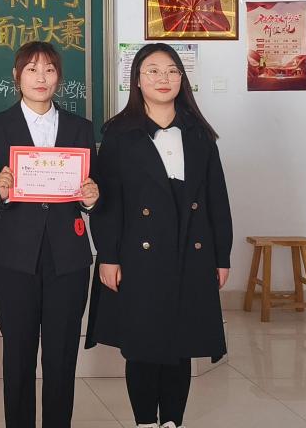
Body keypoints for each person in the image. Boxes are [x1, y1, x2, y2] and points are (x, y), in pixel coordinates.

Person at [86, 43, 233, 428]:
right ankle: (144, 422)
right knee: (142, 344)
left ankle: (172, 421)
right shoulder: (119, 133)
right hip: (138, 256)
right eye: (152, 70)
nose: (162, 78)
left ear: (182, 79)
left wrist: (222, 257)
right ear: (137, 80)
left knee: (181, 344)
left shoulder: (199, 134)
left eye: (171, 71)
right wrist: (108, 256)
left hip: (191, 251)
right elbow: (109, 202)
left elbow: (216, 199)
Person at [0, 41, 100, 428]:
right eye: (32, 69)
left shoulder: (80, 128)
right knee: (18, 353)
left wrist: (92, 199)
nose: (41, 77)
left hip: (68, 256)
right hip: (14, 254)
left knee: (62, 355)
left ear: (59, 77)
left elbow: (92, 190)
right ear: (17, 76)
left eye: (49, 69)